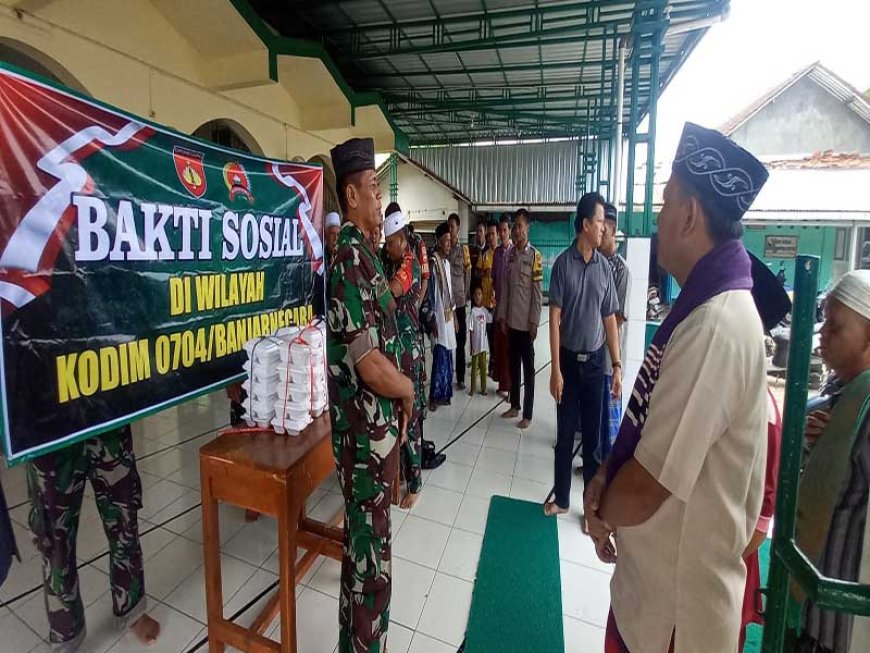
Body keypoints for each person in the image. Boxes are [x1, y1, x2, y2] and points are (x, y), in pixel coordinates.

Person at [585, 122, 772, 653]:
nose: (658, 217)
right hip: (649, 597)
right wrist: (604, 474)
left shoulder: (715, 324)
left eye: (666, 203)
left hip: (674, 622)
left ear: (690, 215)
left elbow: (648, 483)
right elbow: (651, 427)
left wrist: (599, 512)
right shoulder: (702, 309)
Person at [327, 137, 415, 653]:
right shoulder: (348, 264)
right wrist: (404, 389)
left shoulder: (365, 256)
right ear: (352, 196)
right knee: (371, 571)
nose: (380, 201)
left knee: (363, 555)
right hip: (364, 445)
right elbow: (369, 363)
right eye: (373, 190)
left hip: (374, 441)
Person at [788, 269, 870, 653]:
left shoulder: (866, 408)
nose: (822, 335)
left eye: (836, 328)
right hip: (810, 606)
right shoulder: (838, 391)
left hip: (841, 623)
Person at [26, 426, 161, 651]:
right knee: (54, 537)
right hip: (48, 424)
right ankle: (66, 632)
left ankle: (132, 609)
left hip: (105, 411)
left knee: (123, 515)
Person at [546, 192, 621, 517]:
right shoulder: (563, 265)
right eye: (601, 222)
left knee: (592, 444)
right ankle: (562, 500)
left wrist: (616, 365)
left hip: (594, 367)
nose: (604, 228)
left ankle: (590, 511)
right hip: (567, 363)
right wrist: (555, 371)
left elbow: (609, 320)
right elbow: (554, 318)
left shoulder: (605, 269)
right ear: (586, 224)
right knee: (565, 438)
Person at [381, 209, 426, 509]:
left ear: (400, 239)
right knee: (400, 415)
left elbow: (392, 291)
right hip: (395, 350)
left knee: (412, 419)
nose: (387, 247)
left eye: (389, 243)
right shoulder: (395, 260)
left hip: (409, 353)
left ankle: (416, 483)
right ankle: (401, 474)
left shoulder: (409, 264)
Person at [498, 208, 543, 430]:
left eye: (519, 226)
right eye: (514, 226)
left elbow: (537, 293)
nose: (516, 230)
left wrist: (535, 321)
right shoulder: (510, 256)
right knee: (513, 366)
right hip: (512, 322)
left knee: (529, 370)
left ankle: (527, 413)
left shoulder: (535, 256)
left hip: (526, 324)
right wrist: (503, 316)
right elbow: (505, 289)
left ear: (527, 228)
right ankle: (514, 405)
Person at [599, 202, 631, 461]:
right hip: (592, 353)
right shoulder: (596, 263)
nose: (599, 234)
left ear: (612, 229)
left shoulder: (622, 270)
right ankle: (595, 460)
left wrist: (590, 323)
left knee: (609, 417)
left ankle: (607, 467)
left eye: (603, 230)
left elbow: (617, 318)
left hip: (611, 358)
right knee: (595, 412)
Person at [429, 221, 457, 411]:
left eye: (450, 241)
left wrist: (454, 317)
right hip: (438, 318)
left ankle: (445, 393)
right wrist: (432, 320)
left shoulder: (446, 264)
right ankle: (434, 396)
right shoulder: (433, 263)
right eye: (446, 241)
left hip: (448, 317)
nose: (449, 244)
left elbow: (450, 292)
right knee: (439, 356)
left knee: (448, 356)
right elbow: (431, 295)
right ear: (438, 242)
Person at [446, 213, 471, 390]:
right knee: (447, 342)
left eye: (452, 227)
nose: (450, 230)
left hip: (460, 301)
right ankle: (446, 377)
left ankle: (461, 377)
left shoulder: (464, 251)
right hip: (447, 302)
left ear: (458, 228)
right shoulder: (444, 249)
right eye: (448, 227)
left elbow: (467, 274)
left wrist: (465, 292)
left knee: (460, 341)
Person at [492, 214, 513, 396]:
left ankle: (509, 386)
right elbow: (493, 278)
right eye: (500, 231)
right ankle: (501, 382)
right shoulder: (497, 253)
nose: (502, 233)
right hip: (498, 305)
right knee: (499, 346)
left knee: (509, 350)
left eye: (505, 230)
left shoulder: (514, 252)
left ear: (510, 231)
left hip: (511, 309)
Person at [479, 220, 498, 373]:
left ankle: (496, 365)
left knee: (497, 337)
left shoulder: (504, 254)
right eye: (489, 234)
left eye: (493, 234)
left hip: (498, 304)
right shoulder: (484, 255)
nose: (491, 237)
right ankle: (491, 364)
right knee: (487, 335)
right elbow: (477, 272)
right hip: (485, 303)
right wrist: (483, 273)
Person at [468, 286, 491, 396]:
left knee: (483, 369)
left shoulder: (485, 311)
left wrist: (494, 305)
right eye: (475, 294)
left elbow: (491, 319)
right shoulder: (472, 312)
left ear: (482, 296)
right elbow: (471, 330)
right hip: (476, 347)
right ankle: (472, 389)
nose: (477, 296)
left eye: (479, 294)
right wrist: (471, 346)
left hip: (483, 346)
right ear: (473, 297)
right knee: (474, 369)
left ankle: (484, 388)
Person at [469, 220, 487, 295]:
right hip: (474, 291)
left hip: (486, 291)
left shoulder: (489, 250)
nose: (479, 234)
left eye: (481, 231)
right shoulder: (471, 251)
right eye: (477, 231)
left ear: (485, 232)